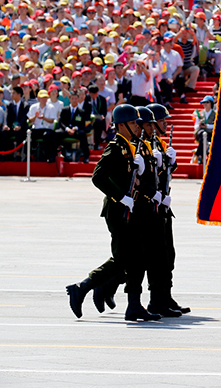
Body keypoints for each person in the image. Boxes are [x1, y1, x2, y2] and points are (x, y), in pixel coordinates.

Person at [66, 104, 161, 322]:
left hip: (132, 208)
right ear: (121, 125)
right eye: (133, 123)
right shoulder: (116, 147)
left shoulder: (133, 146)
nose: (138, 126)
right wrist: (121, 196)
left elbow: (137, 179)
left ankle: (134, 305)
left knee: (136, 258)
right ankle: (82, 288)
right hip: (118, 210)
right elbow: (98, 177)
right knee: (123, 258)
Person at [145, 103, 189, 315]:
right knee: (154, 256)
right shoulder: (144, 144)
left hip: (163, 205)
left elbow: (167, 171)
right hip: (150, 206)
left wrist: (172, 161)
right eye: (162, 121)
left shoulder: (159, 143)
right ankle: (156, 299)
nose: (165, 124)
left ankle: (165, 295)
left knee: (168, 254)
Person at [57, 88, 92, 162]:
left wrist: (75, 128)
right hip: (66, 130)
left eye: (76, 99)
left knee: (82, 134)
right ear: (69, 99)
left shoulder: (81, 111)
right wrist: (67, 129)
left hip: (76, 131)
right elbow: (61, 122)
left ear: (78, 99)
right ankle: (54, 154)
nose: (74, 100)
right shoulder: (64, 110)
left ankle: (86, 156)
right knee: (56, 133)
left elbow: (82, 124)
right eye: (72, 98)